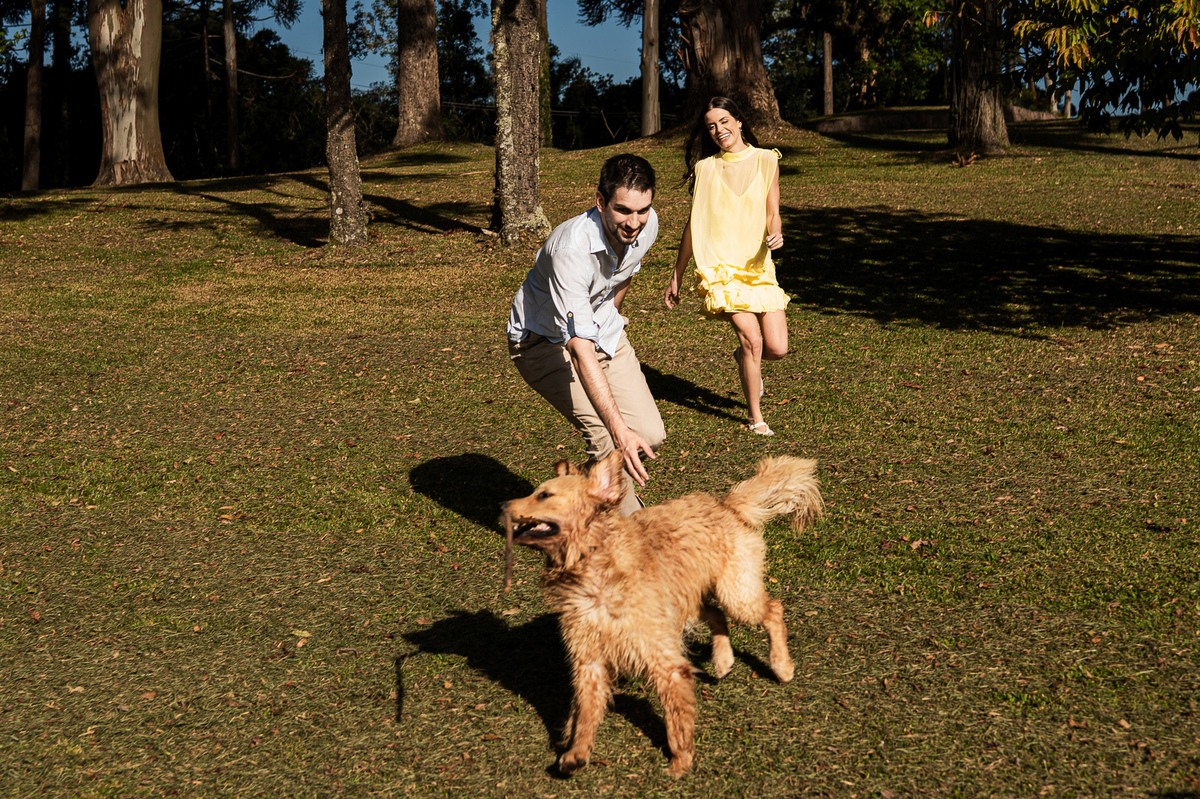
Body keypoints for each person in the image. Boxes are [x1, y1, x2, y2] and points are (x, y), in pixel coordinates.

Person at [507, 153, 665, 515]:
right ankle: (631, 536)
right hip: (541, 342)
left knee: (649, 434)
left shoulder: (647, 223)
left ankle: (583, 497)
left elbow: (622, 274)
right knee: (611, 441)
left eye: (642, 209)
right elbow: (578, 348)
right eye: (623, 210)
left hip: (600, 328)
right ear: (600, 202)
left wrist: (608, 323)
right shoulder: (571, 250)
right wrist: (618, 433)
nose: (634, 222)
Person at [664, 97, 789, 436]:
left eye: (723, 121)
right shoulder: (706, 168)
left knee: (776, 348)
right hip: (721, 267)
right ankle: (756, 419)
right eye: (711, 126)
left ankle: (744, 359)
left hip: (757, 266)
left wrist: (775, 233)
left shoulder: (767, 160)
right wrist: (676, 274)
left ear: (739, 121)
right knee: (753, 340)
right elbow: (694, 224)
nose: (719, 130)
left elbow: (772, 210)